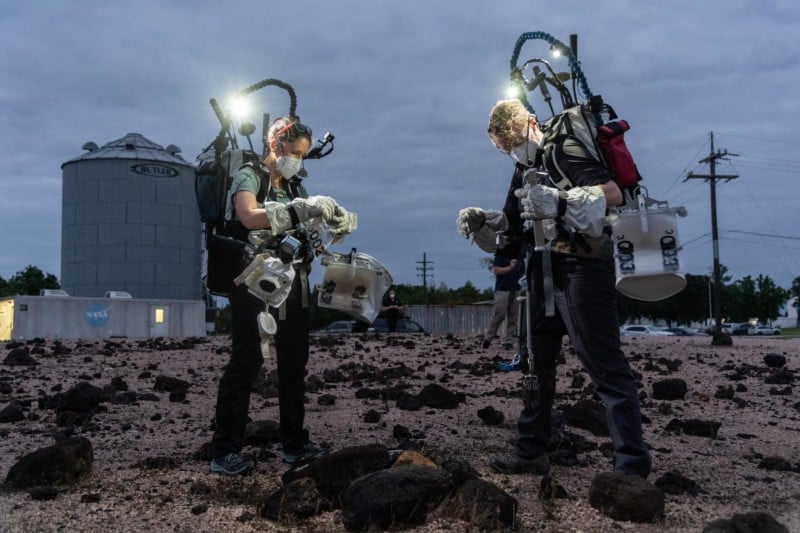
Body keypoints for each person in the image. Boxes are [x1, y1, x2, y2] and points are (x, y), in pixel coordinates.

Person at [457, 99, 651, 479]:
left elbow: (612, 193)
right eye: (506, 148)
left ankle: (631, 464)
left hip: (582, 265)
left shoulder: (562, 150)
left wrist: (560, 203)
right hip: (542, 267)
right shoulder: (524, 166)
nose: (514, 150)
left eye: (515, 141)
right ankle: (530, 451)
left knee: (604, 364)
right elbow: (513, 224)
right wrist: (485, 221)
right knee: (534, 363)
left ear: (531, 123)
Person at [210, 116, 354, 475]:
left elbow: (306, 229)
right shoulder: (250, 175)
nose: (298, 161)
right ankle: (224, 450)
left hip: (294, 284)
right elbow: (247, 215)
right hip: (255, 284)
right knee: (246, 362)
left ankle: (295, 443)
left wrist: (333, 224)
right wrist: (293, 212)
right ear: (276, 145)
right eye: (294, 153)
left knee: (294, 365)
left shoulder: (294, 187)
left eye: (304, 156)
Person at [482, 243, 524, 350]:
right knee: (499, 315)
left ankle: (509, 341)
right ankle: (488, 338)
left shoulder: (519, 257)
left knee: (513, 317)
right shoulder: (500, 256)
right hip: (502, 290)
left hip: (515, 289)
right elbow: (497, 270)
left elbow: (522, 271)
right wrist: (510, 267)